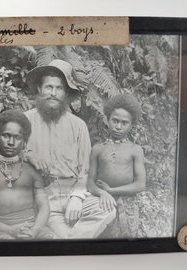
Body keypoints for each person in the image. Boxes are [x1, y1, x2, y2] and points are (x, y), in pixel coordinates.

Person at [24, 59, 116, 239]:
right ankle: (70, 240)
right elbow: (6, 153)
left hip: (74, 191)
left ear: (65, 93)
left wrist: (77, 197)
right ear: (39, 90)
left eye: (59, 88)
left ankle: (71, 239)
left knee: (107, 210)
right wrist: (29, 154)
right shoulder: (25, 120)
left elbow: (87, 168)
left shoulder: (78, 125)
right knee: (64, 236)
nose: (53, 93)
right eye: (48, 87)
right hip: (45, 195)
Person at [0, 110, 53, 239]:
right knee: (7, 242)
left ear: (24, 142)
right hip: (1, 230)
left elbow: (43, 206)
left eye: (17, 137)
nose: (11, 142)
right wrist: (9, 230)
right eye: (6, 135)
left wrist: (35, 230)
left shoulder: (32, 171)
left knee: (49, 239)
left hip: (32, 228)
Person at [87, 94, 146, 238]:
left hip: (128, 204)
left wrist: (111, 190)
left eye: (124, 123)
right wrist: (103, 193)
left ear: (132, 125)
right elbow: (90, 183)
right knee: (103, 239)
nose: (118, 127)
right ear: (107, 120)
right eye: (115, 121)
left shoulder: (135, 149)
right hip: (102, 202)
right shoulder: (98, 148)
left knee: (125, 242)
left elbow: (140, 184)